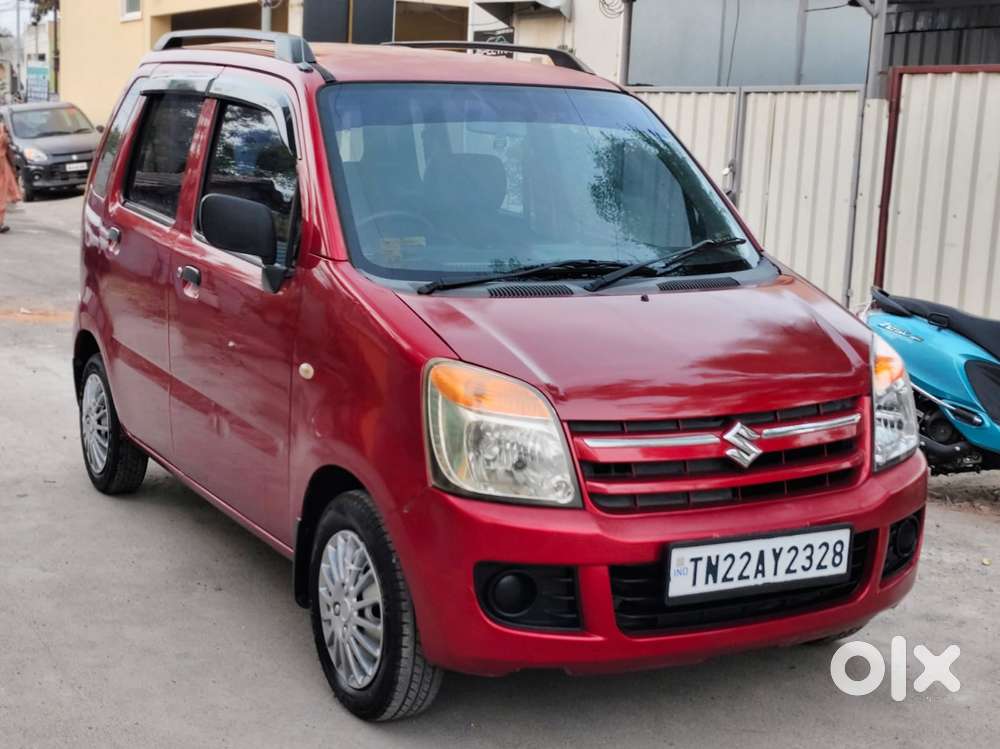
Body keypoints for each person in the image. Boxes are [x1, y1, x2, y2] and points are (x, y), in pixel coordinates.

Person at [0, 122, 23, 233]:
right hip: (2, 166)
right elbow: (8, 147)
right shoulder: (2, 128)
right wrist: (13, 166)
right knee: (1, 194)